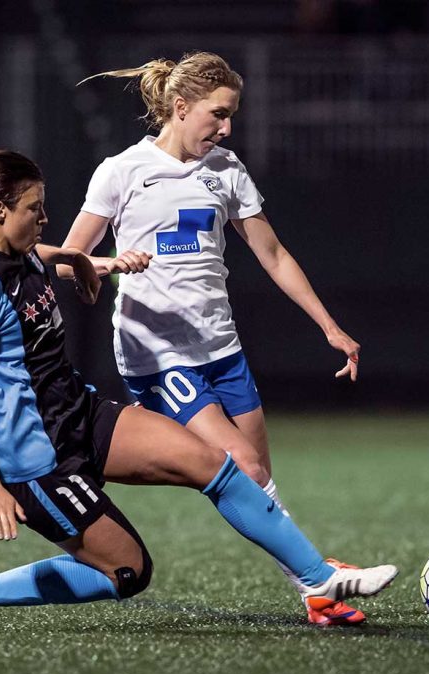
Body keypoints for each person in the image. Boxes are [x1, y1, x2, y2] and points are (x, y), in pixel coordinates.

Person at [0, 149, 396, 631]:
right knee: (129, 572)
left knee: (213, 463)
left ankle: (317, 580)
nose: (44, 218)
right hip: (37, 459)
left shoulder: (16, 252)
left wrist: (83, 259)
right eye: (33, 208)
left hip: (78, 413)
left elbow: (38, 256)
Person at [60, 52, 366, 626]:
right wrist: (106, 265)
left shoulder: (226, 170)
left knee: (262, 482)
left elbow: (272, 254)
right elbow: (65, 258)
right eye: (218, 115)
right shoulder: (121, 171)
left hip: (221, 349)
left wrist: (329, 326)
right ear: (180, 108)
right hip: (157, 357)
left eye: (231, 118)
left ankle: (314, 592)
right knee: (244, 466)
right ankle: (319, 581)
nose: (226, 128)